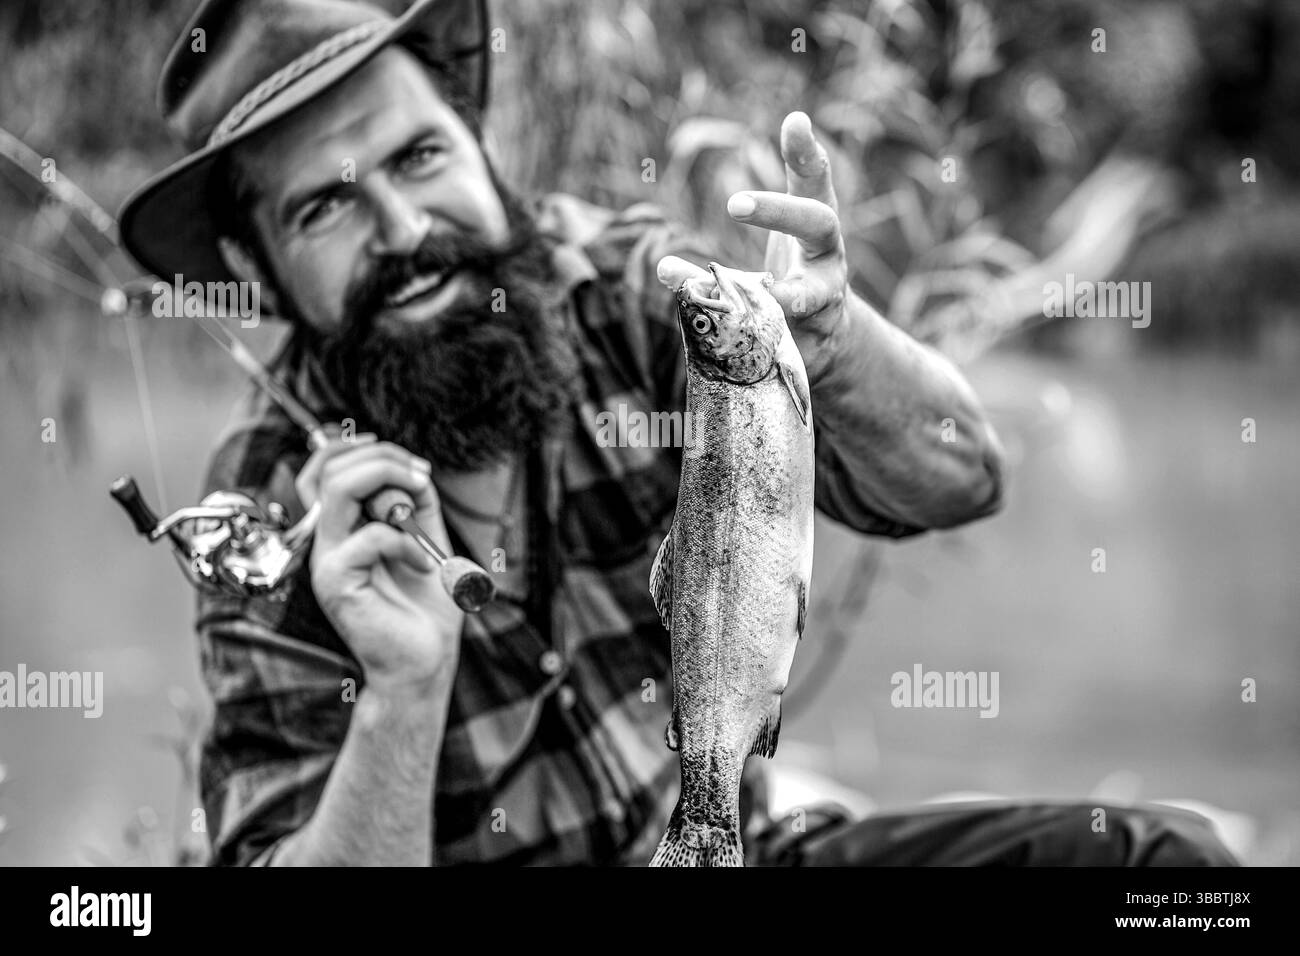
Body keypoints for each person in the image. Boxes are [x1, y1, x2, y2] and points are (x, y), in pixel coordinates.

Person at [119, 0, 1235, 866]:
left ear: (476, 143)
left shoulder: (625, 290)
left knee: (1166, 874)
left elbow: (962, 479)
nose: (405, 228)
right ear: (256, 270)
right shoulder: (269, 519)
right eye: (324, 204)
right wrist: (402, 688)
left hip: (740, 847)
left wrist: (836, 346)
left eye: (419, 157)